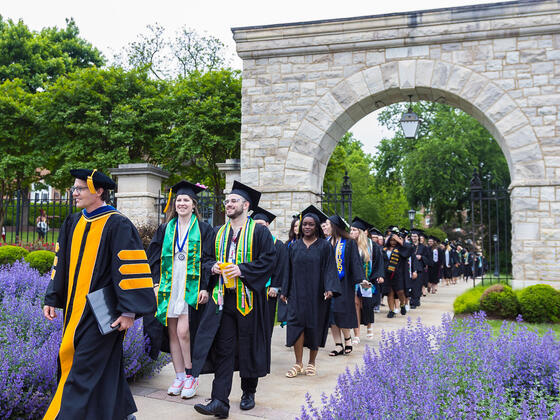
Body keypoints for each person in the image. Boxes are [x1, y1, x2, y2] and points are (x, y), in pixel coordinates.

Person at [42, 169, 157, 420]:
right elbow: (60, 262)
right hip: (74, 312)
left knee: (81, 369)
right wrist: (52, 297)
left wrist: (129, 312)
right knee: (102, 367)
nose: (75, 193)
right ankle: (120, 414)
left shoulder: (118, 224)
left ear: (99, 191)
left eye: (80, 188)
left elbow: (131, 269)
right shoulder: (73, 222)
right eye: (75, 188)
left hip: (103, 314)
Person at [192, 181, 275, 419]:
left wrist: (243, 270)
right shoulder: (218, 232)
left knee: (248, 347)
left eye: (234, 201)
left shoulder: (259, 232)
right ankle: (220, 401)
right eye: (227, 201)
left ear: (246, 205)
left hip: (249, 300)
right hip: (223, 300)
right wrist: (213, 267)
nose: (228, 204)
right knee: (224, 349)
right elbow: (204, 259)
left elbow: (269, 260)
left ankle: (248, 392)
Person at [146, 181, 214, 399]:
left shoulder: (204, 229)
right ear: (174, 204)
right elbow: (154, 258)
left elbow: (209, 260)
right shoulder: (165, 229)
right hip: (169, 285)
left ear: (194, 205)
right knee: (173, 332)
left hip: (190, 286)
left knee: (184, 332)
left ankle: (191, 375)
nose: (182, 203)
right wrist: (156, 283)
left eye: (186, 200)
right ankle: (179, 376)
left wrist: (205, 287)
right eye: (179, 200)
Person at [281, 205, 339, 378]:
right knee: (296, 326)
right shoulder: (294, 246)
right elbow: (287, 270)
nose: (307, 227)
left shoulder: (324, 247)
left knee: (314, 326)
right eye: (304, 224)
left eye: (310, 224)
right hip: (297, 293)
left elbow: (330, 269)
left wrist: (329, 288)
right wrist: (284, 290)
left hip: (317, 294)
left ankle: (312, 363)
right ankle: (298, 363)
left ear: (316, 227)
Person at [244, 206, 288, 384]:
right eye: (256, 223)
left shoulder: (278, 244)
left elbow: (282, 267)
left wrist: (276, 287)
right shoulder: (249, 242)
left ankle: (263, 355)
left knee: (267, 324)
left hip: (269, 291)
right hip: (250, 290)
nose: (259, 226)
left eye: (262, 224)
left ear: (268, 224)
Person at [326, 214, 365, 356]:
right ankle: (338, 344)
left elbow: (355, 262)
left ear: (335, 227)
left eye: (327, 224)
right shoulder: (325, 242)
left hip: (344, 284)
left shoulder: (348, 243)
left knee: (341, 312)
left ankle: (347, 339)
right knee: (331, 314)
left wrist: (361, 279)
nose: (325, 227)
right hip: (328, 285)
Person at [349, 217, 383, 341]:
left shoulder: (372, 246)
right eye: (350, 230)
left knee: (366, 305)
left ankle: (369, 325)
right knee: (355, 304)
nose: (351, 232)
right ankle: (356, 334)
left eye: (354, 230)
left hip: (368, 280)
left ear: (362, 232)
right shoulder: (349, 244)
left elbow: (379, 262)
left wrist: (379, 275)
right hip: (353, 281)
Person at [382, 226, 413, 318]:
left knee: (400, 292)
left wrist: (400, 241)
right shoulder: (384, 249)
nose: (393, 242)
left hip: (398, 274)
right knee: (390, 293)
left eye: (394, 240)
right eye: (391, 240)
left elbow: (410, 249)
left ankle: (402, 304)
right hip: (387, 274)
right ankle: (391, 311)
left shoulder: (401, 249)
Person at [410, 230, 430, 309]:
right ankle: (413, 300)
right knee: (411, 285)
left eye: (415, 236)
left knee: (417, 286)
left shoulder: (423, 247)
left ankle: (415, 301)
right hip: (410, 268)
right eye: (412, 236)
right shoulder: (409, 246)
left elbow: (428, 259)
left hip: (419, 268)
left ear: (418, 237)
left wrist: (421, 257)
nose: (413, 238)